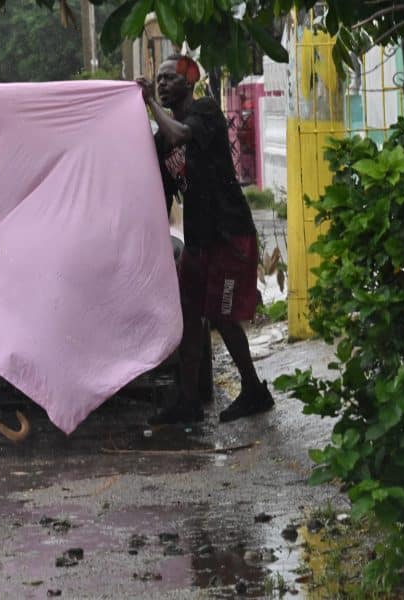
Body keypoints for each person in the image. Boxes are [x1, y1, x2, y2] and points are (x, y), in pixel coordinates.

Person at [137, 55, 274, 425]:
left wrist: (149, 102)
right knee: (189, 314)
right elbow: (161, 192)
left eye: (168, 79)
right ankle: (188, 400)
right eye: (157, 80)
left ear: (189, 81)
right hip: (199, 240)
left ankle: (254, 391)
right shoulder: (162, 141)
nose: (162, 84)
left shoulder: (205, 112)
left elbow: (181, 134)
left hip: (228, 235)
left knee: (223, 315)